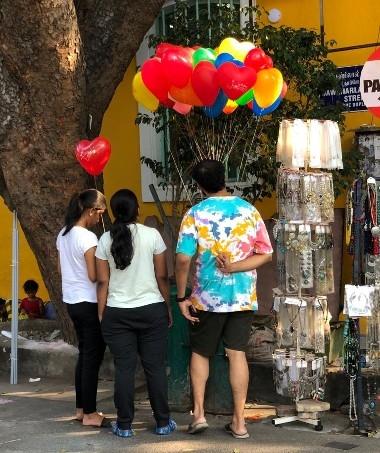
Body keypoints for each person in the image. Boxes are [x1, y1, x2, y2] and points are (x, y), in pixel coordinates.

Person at [175, 159, 273, 439]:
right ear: (225, 179)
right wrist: (235, 267)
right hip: (242, 296)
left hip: (206, 297)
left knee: (201, 352)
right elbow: (265, 254)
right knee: (237, 353)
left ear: (198, 185)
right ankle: (240, 422)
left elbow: (183, 258)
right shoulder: (249, 210)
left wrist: (182, 296)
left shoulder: (195, 213)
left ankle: (200, 416)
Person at [96, 189, 176, 438]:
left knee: (124, 369)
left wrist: (102, 313)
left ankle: (124, 425)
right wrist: (167, 306)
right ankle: (163, 422)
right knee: (154, 367)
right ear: (137, 210)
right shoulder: (152, 235)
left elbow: (102, 282)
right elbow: (162, 275)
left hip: (117, 313)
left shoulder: (104, 240)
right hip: (152, 310)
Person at [56, 188, 107, 427]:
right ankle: (90, 413)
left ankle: (80, 408)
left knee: (84, 354)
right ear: (91, 211)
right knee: (92, 358)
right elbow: (93, 274)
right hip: (88, 301)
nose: (100, 219)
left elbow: (60, 270)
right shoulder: (87, 238)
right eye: (100, 214)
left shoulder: (63, 235)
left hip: (71, 300)